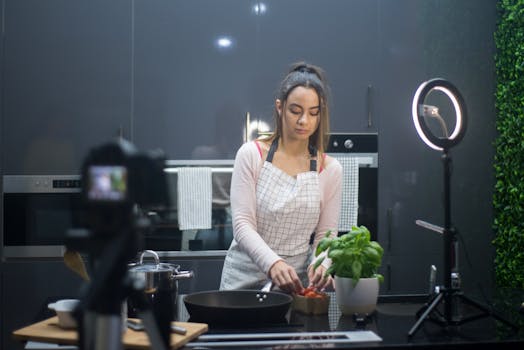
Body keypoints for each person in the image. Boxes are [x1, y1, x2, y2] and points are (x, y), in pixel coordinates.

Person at [219, 62, 343, 294]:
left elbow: (326, 236)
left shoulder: (330, 169)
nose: (304, 120)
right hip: (242, 282)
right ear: (280, 107)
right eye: (295, 111)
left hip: (295, 285)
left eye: (313, 113)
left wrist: (322, 263)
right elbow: (242, 225)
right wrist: (273, 263)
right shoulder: (251, 154)